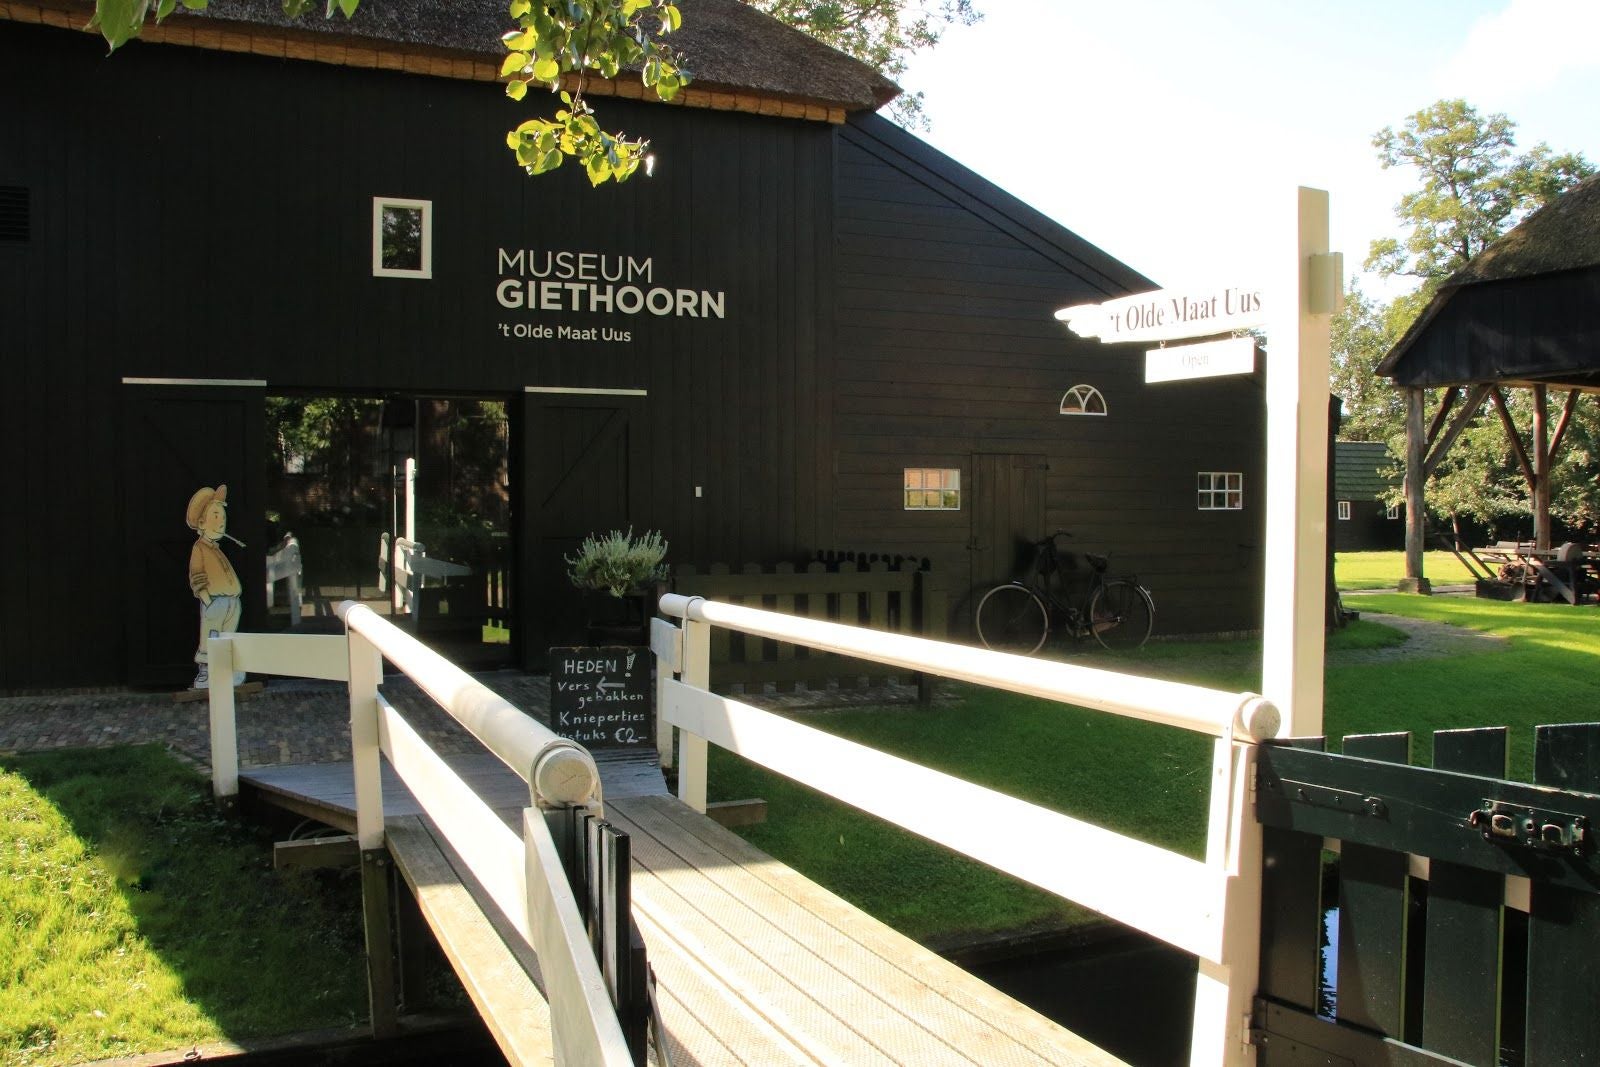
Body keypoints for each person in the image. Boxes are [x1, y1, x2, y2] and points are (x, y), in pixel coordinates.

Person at [186, 484, 245, 689]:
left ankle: (229, 669)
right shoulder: (200, 548)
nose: (221, 522)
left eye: (222, 517)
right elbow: (197, 575)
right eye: (215, 516)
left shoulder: (217, 550)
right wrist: (208, 601)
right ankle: (205, 672)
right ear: (202, 522)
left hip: (231, 602)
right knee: (211, 636)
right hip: (216, 602)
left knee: (228, 636)